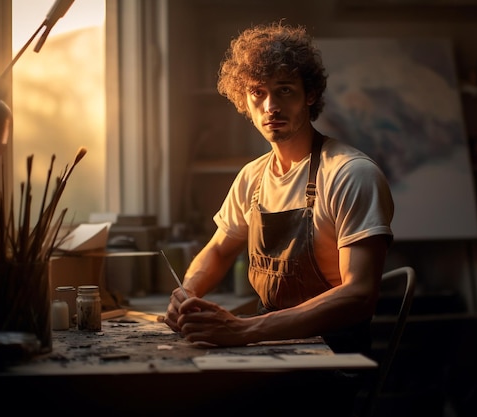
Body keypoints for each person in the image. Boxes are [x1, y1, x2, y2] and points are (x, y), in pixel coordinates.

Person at [164, 21, 394, 355]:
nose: (271, 106)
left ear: (310, 94)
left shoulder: (350, 173)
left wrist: (245, 329)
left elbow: (359, 295)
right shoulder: (252, 177)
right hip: (267, 342)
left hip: (333, 351)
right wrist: (187, 292)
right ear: (245, 100)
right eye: (258, 92)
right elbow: (218, 250)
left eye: (284, 89)